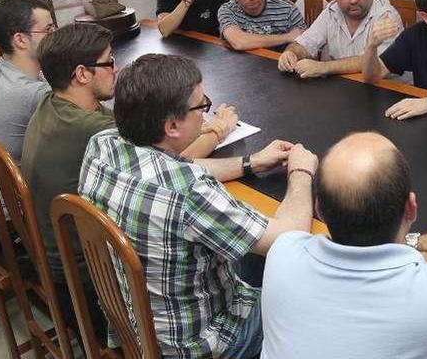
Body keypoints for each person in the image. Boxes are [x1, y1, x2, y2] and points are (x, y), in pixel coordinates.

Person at [79, 53, 318, 358]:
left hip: (136, 322)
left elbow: (177, 165)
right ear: (172, 126)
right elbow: (290, 236)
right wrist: (301, 172)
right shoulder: (189, 192)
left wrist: (251, 162)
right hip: (197, 344)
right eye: (201, 106)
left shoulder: (102, 144)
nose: (205, 114)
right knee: (305, 295)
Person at [23, 22, 240, 283]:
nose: (116, 69)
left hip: (58, 247)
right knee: (220, 250)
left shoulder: (53, 101)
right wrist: (218, 129)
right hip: (89, 268)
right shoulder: (96, 131)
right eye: (109, 62)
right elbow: (171, 159)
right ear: (82, 74)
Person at [261, 132, 427, 358]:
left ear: (319, 211)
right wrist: (424, 249)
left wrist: (301, 175)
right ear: (411, 208)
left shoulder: (282, 255)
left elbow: (293, 230)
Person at [0, 0, 52, 226]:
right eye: (49, 29)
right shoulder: (30, 93)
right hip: (12, 218)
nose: (56, 34)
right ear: (20, 40)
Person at [277, 0, 403, 78]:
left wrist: (323, 67)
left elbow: (374, 63)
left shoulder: (387, 16)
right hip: (340, 87)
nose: (353, 0)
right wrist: (291, 53)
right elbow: (306, 42)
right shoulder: (332, 11)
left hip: (382, 90)